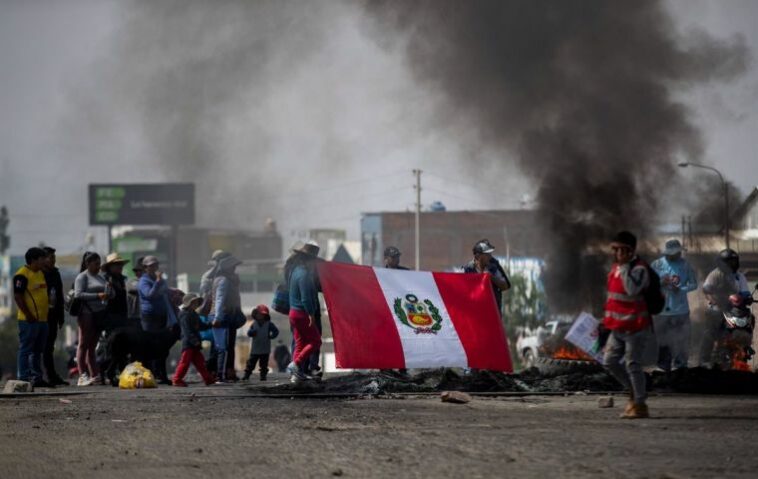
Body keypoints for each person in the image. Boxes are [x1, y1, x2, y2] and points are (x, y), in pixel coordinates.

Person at [603, 231, 651, 419]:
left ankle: (639, 405)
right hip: (617, 327)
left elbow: (632, 290)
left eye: (618, 249)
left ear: (628, 251)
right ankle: (634, 390)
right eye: (614, 249)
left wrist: (624, 268)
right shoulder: (615, 268)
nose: (614, 253)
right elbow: (613, 297)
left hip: (635, 327)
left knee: (633, 364)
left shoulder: (639, 269)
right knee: (609, 361)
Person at [650, 239, 698, 371]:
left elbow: (694, 284)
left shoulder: (685, 265)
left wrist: (681, 289)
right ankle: (663, 367)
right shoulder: (657, 264)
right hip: (662, 311)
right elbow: (649, 285)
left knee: (682, 340)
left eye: (678, 252)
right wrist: (661, 283)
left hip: (681, 310)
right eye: (674, 253)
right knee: (663, 341)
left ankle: (681, 366)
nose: (676, 255)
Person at [699, 249, 751, 368]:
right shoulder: (715, 274)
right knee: (710, 332)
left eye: (734, 261)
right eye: (729, 262)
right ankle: (704, 359)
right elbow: (706, 289)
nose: (732, 264)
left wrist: (746, 297)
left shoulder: (739, 276)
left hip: (735, 309)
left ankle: (745, 349)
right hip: (718, 307)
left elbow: (745, 292)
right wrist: (724, 297)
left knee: (749, 320)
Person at [74, 252, 113, 386]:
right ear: (88, 264)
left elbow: (109, 294)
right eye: (96, 264)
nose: (98, 266)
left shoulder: (101, 277)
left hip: (99, 314)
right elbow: (78, 295)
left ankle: (95, 375)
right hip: (86, 313)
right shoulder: (82, 277)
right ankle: (82, 375)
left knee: (92, 346)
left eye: (99, 264)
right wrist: (97, 295)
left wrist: (109, 291)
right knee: (83, 344)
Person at [286, 242, 323, 383]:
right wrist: (311, 314)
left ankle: (297, 375)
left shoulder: (294, 271)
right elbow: (306, 298)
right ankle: (296, 364)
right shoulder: (304, 275)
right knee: (316, 341)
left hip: (293, 313)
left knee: (300, 343)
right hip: (303, 314)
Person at [13, 247, 50, 387]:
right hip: (28, 320)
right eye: (42, 258)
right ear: (33, 260)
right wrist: (28, 315)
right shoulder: (21, 275)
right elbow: (18, 296)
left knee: (37, 351)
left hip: (42, 320)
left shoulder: (41, 273)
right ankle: (23, 377)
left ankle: (37, 377)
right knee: (25, 349)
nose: (44, 261)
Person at [138, 255, 174, 383]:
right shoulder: (143, 281)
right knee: (150, 345)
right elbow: (150, 295)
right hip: (150, 317)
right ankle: (150, 374)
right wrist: (158, 282)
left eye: (155, 265)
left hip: (161, 316)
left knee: (162, 347)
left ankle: (161, 374)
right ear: (146, 268)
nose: (154, 268)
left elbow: (165, 291)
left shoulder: (160, 280)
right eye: (151, 266)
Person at [209, 254, 245, 382]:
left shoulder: (225, 279)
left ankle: (224, 373)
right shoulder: (223, 280)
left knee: (224, 347)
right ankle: (221, 374)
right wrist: (218, 317)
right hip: (223, 316)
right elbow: (219, 299)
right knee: (223, 347)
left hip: (227, 316)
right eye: (233, 266)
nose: (235, 269)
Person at [172, 293, 214, 387]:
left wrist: (211, 325)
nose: (196, 305)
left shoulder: (193, 314)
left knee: (200, 363)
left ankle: (208, 379)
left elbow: (201, 326)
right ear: (188, 303)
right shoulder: (184, 315)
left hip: (194, 344)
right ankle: (177, 379)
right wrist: (194, 341)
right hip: (189, 343)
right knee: (185, 362)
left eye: (196, 303)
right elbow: (187, 331)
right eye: (194, 303)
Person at [462, 239, 511, 317]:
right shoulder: (467, 270)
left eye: (490, 253)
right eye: (487, 254)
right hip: (475, 315)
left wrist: (491, 277)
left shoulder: (494, 267)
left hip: (493, 315)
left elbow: (505, 286)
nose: (490, 256)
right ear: (478, 256)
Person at [41, 246, 68, 386]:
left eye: (54, 258)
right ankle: (41, 376)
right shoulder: (38, 273)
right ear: (43, 258)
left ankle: (52, 376)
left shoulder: (55, 273)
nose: (53, 260)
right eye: (50, 258)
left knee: (49, 346)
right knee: (40, 347)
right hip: (40, 315)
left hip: (53, 314)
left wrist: (61, 316)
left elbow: (59, 295)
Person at [382, 246, 409, 378]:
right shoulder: (379, 274)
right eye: (394, 257)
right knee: (386, 341)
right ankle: (385, 367)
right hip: (385, 314)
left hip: (401, 312)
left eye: (398, 257)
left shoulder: (406, 273)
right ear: (386, 259)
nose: (397, 259)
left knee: (403, 341)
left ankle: (402, 368)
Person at [243, 305, 279, 381]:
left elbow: (276, 331)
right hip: (255, 348)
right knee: (251, 363)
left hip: (265, 348)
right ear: (255, 314)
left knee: (264, 364)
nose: (261, 316)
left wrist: (271, 336)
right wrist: (252, 332)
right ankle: (246, 375)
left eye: (263, 315)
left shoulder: (269, 324)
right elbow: (249, 333)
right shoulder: (254, 324)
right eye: (259, 314)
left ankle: (263, 376)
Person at [101, 253, 131, 334]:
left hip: (124, 315)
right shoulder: (104, 280)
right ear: (110, 267)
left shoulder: (124, 280)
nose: (120, 266)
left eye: (121, 264)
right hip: (110, 316)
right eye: (117, 264)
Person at [126, 256, 145, 324]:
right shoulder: (131, 281)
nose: (137, 272)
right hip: (135, 317)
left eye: (140, 270)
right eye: (136, 270)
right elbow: (136, 289)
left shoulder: (151, 282)